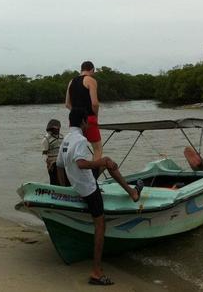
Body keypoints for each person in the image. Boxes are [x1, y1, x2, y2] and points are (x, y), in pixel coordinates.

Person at [56, 108, 143, 286]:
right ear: (83, 122)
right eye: (87, 122)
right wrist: (100, 161)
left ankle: (132, 192)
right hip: (88, 189)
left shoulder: (66, 138)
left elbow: (59, 165)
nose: (88, 125)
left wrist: (65, 189)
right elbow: (81, 163)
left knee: (108, 162)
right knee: (100, 225)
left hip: (77, 184)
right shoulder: (80, 139)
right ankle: (96, 272)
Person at [65, 61, 103, 162]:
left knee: (77, 148)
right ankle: (93, 176)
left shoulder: (71, 81)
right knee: (97, 149)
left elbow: (67, 104)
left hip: (74, 121)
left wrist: (77, 112)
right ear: (92, 70)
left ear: (81, 70)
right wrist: (96, 117)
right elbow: (95, 103)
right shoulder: (91, 80)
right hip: (88, 119)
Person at [41, 119, 64, 185]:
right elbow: (44, 154)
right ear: (51, 129)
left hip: (61, 160)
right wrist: (48, 163)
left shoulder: (62, 137)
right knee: (54, 180)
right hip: (52, 162)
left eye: (58, 128)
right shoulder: (46, 139)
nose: (58, 130)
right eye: (56, 129)